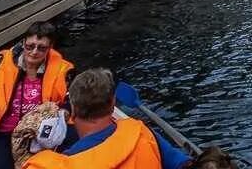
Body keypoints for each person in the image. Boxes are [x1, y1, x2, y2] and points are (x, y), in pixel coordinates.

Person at [0, 21, 74, 169]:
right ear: (23, 42)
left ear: (50, 48)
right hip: (1, 133)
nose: (34, 52)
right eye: (30, 46)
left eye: (41, 48)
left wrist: (62, 112)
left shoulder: (64, 70)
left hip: (40, 135)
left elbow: (73, 99)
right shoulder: (1, 63)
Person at [26, 67, 191, 169]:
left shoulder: (57, 164)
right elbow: (183, 163)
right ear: (112, 104)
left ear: (73, 108)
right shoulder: (143, 134)